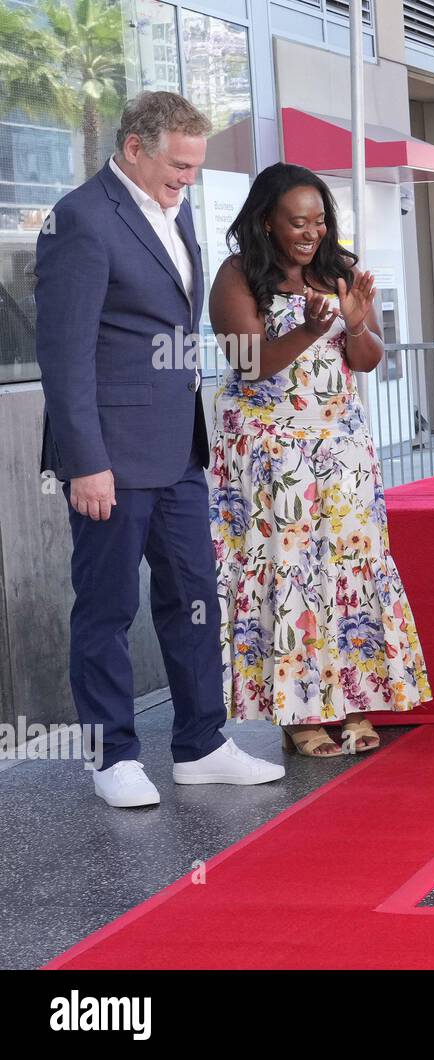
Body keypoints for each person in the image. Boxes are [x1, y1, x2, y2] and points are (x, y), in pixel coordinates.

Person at [34, 91, 284, 807]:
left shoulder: (176, 211)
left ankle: (201, 744)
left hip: (178, 449)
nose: (188, 180)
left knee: (194, 597)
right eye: (178, 166)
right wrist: (85, 461)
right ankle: (113, 756)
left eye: (196, 167)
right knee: (108, 608)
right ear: (135, 148)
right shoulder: (81, 219)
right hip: (108, 456)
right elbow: (65, 354)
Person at [208, 163, 432, 757]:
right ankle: (298, 713)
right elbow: (250, 362)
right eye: (297, 221)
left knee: (347, 568)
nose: (311, 231)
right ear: (266, 222)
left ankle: (354, 699)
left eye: (319, 219)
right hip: (272, 451)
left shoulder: (338, 273)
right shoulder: (238, 276)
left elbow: (366, 360)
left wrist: (355, 320)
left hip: (341, 449)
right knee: (291, 572)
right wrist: (311, 329)